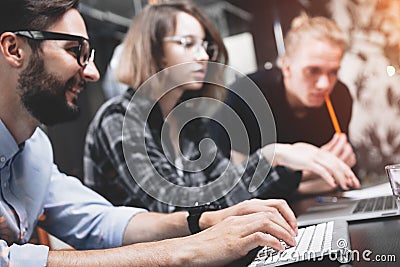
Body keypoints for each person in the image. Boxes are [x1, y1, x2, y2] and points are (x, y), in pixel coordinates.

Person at [0, 0, 305, 265]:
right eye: (74, 50)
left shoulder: (36, 150)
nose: (92, 72)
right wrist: (187, 249)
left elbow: (101, 221)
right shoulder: (120, 119)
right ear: (14, 49)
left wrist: (203, 220)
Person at [83, 1, 359, 214]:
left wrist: (282, 160)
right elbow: (178, 211)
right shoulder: (119, 119)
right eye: (187, 44)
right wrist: (274, 155)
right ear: (152, 49)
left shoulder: (192, 123)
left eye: (204, 45)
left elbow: (228, 193)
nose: (203, 55)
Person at [209, 13, 358, 195]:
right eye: (312, 71)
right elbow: (242, 188)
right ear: (286, 67)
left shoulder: (339, 96)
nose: (325, 84)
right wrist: (309, 181)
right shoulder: (246, 97)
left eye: (333, 72)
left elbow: (342, 175)